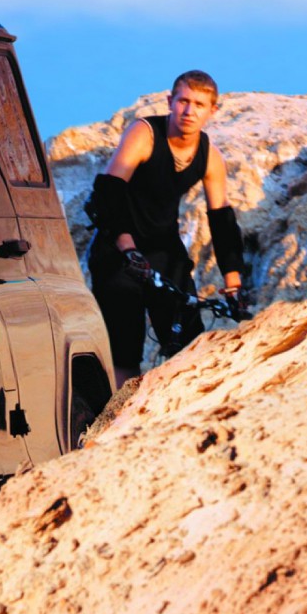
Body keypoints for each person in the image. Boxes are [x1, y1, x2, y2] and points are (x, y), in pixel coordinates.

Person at [87, 71, 248, 387]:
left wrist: (233, 282)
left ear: (212, 111)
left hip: (163, 249)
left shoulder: (209, 156)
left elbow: (222, 219)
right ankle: (122, 421)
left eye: (199, 104)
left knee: (189, 341)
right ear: (170, 102)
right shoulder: (145, 134)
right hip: (119, 247)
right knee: (124, 349)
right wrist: (127, 248)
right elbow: (108, 192)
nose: (190, 111)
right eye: (184, 101)